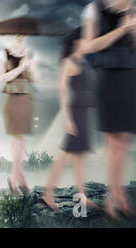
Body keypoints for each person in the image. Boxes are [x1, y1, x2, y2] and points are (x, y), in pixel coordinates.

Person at [81, 0, 136, 219]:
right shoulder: (93, 8)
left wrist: (134, 24)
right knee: (112, 140)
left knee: (125, 138)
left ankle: (118, 194)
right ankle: (115, 196)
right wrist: (120, 30)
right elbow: (89, 46)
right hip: (108, 75)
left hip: (131, 73)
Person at [42, 30, 97, 211]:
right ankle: (48, 194)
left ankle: (82, 195)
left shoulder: (84, 62)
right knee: (65, 155)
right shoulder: (69, 62)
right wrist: (68, 119)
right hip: (75, 113)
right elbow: (62, 91)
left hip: (85, 113)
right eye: (84, 39)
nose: (86, 42)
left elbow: (87, 88)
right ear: (76, 42)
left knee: (79, 157)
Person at [0, 35, 39, 194]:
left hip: (27, 97)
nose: (20, 38)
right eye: (17, 35)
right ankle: (17, 180)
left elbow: (36, 78)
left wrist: (29, 63)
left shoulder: (31, 53)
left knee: (23, 140)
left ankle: (16, 179)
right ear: (13, 37)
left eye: (23, 35)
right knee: (15, 140)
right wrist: (20, 67)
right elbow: (1, 78)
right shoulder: (3, 53)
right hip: (11, 97)